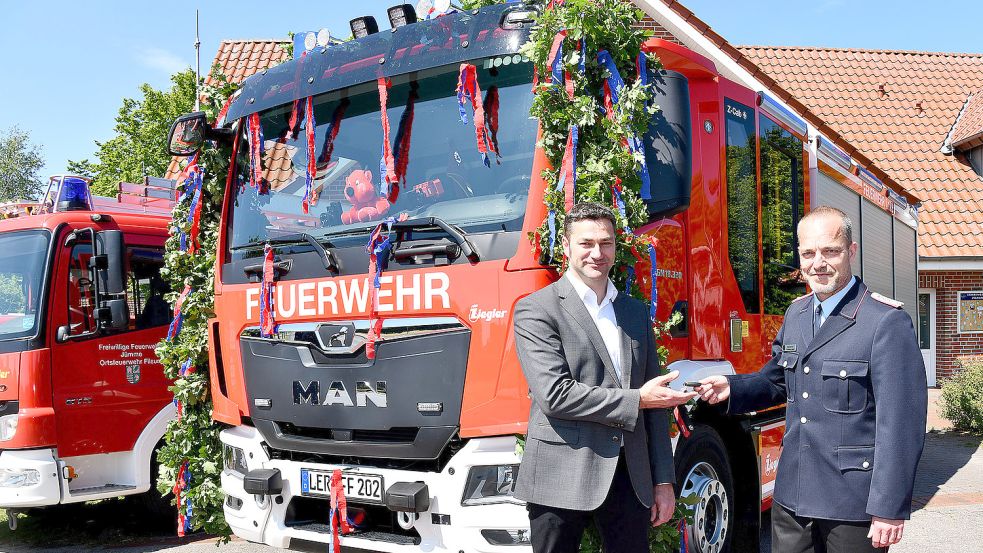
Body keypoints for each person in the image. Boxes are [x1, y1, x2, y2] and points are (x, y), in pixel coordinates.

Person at [696, 205, 927, 552]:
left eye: (830, 251)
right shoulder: (798, 313)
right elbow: (776, 380)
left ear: (851, 252)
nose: (818, 263)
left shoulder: (884, 323)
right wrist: (732, 387)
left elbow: (901, 427)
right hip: (792, 496)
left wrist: (889, 508)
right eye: (808, 253)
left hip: (853, 504)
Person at [513, 202, 696, 553]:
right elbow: (555, 395)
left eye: (606, 243)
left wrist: (663, 481)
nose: (597, 253)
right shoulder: (536, 309)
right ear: (566, 247)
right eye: (586, 243)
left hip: (630, 476)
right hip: (561, 475)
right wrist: (637, 399)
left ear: (615, 247)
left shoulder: (634, 311)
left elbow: (656, 408)